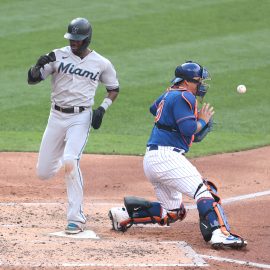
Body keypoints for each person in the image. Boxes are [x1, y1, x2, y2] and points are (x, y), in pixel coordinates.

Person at [108, 61, 247, 249]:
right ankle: (219, 234)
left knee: (172, 212)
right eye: (199, 81)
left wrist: (174, 113)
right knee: (204, 191)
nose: (201, 85)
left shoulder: (171, 93)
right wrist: (203, 121)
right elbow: (189, 128)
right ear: (188, 81)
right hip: (167, 158)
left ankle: (122, 216)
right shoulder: (184, 96)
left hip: (152, 159)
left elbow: (153, 108)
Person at [27, 18, 119, 234]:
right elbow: (32, 80)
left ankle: (75, 219)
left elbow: (114, 88)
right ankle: (65, 155)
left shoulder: (101, 63)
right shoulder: (57, 55)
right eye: (72, 39)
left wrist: (102, 108)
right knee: (43, 172)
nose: (74, 42)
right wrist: (38, 66)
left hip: (81, 117)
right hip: (56, 116)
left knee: (70, 161)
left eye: (78, 39)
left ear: (87, 39)